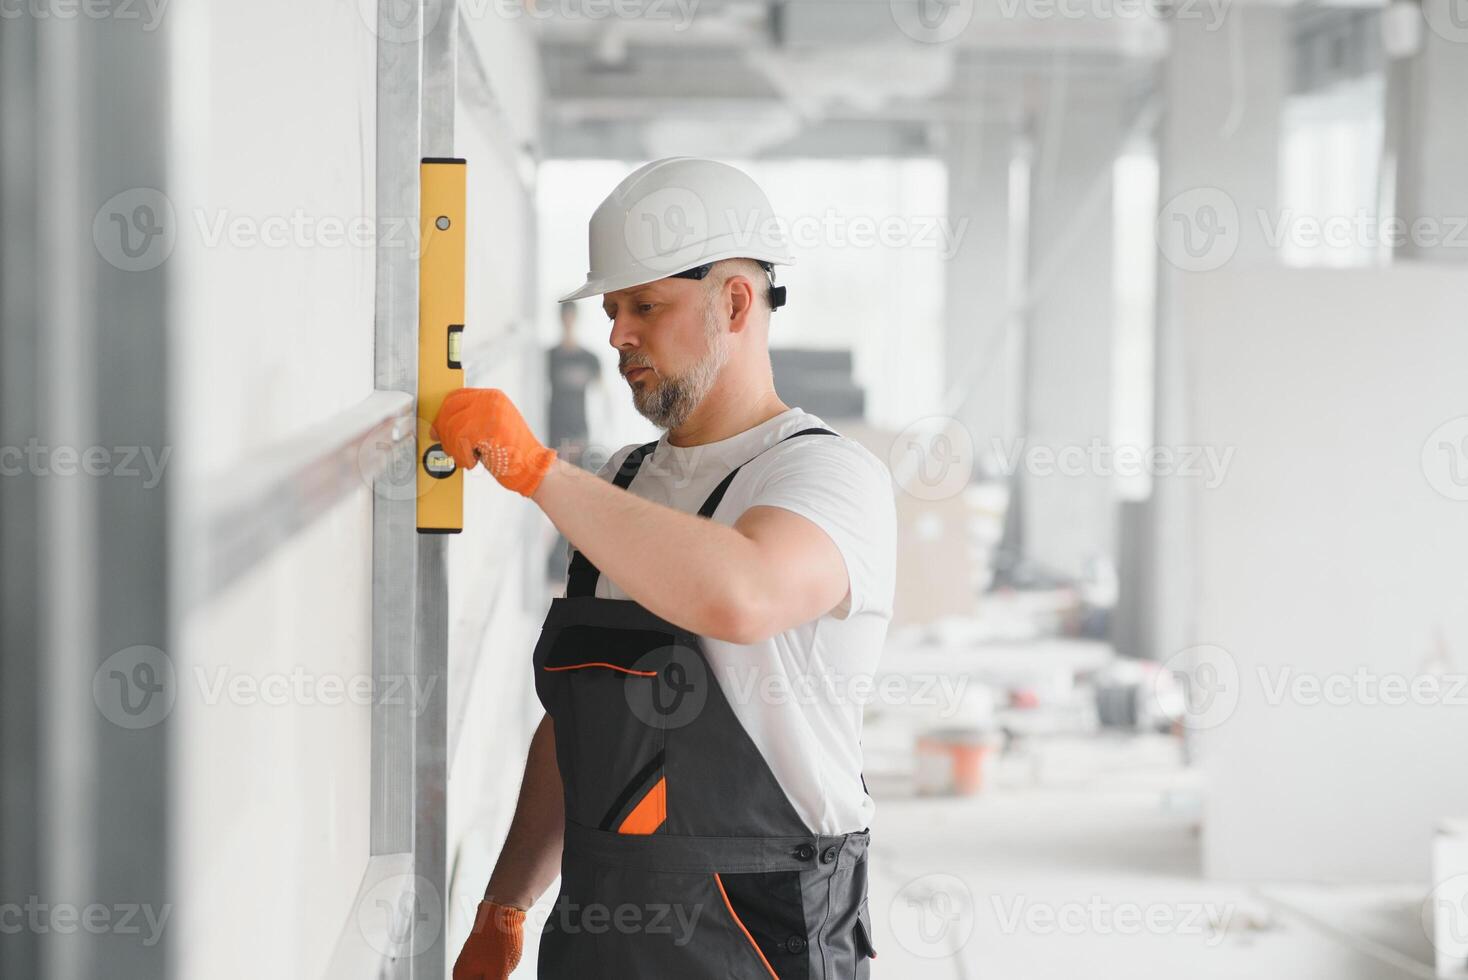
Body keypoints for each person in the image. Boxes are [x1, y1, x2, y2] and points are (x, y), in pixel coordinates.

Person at [434, 157, 895, 979]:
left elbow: (740, 592)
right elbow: (584, 725)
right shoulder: (618, 483)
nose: (617, 336)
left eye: (645, 305)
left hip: (758, 938)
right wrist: (505, 905)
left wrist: (540, 473)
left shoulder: (825, 477)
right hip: (601, 936)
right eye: (612, 310)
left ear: (735, 302)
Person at [544, 301, 603, 582]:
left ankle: (560, 564)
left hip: (580, 437)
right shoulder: (549, 357)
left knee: (573, 498)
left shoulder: (590, 359)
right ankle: (554, 564)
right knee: (557, 497)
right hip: (555, 439)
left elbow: (605, 401)